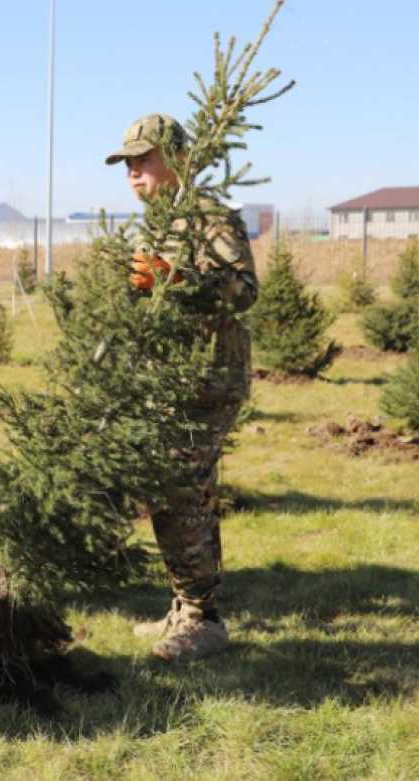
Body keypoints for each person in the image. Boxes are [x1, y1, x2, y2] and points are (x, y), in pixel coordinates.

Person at [106, 113, 258, 662]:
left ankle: (202, 618)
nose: (132, 172)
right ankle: (186, 605)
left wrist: (174, 277)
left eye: (143, 160)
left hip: (209, 377)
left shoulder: (208, 214)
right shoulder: (158, 223)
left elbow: (242, 289)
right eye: (127, 164)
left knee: (177, 489)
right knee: (185, 492)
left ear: (174, 159)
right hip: (171, 378)